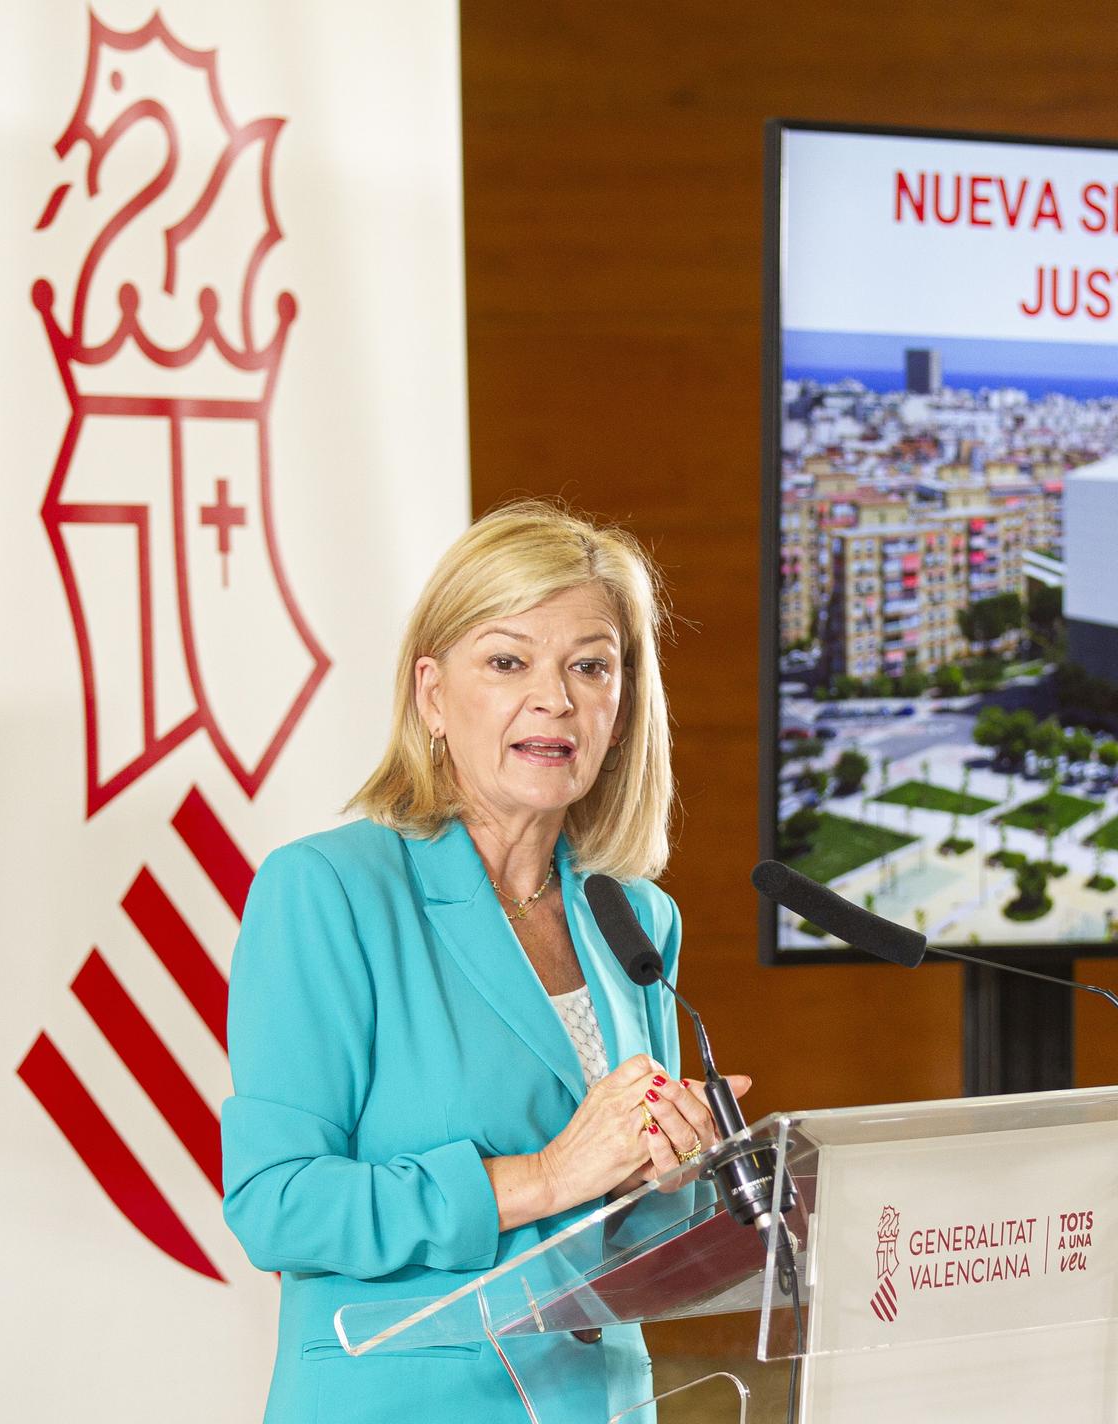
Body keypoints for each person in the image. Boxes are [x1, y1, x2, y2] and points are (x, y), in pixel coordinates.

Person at [223, 501, 744, 1422]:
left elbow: (613, 1235)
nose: (555, 698)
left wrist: (668, 1175)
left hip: (599, 1403)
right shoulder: (328, 893)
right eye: (509, 662)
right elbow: (280, 1205)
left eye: (591, 666)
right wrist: (545, 1174)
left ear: (621, 710)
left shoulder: (634, 917)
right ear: (432, 694)